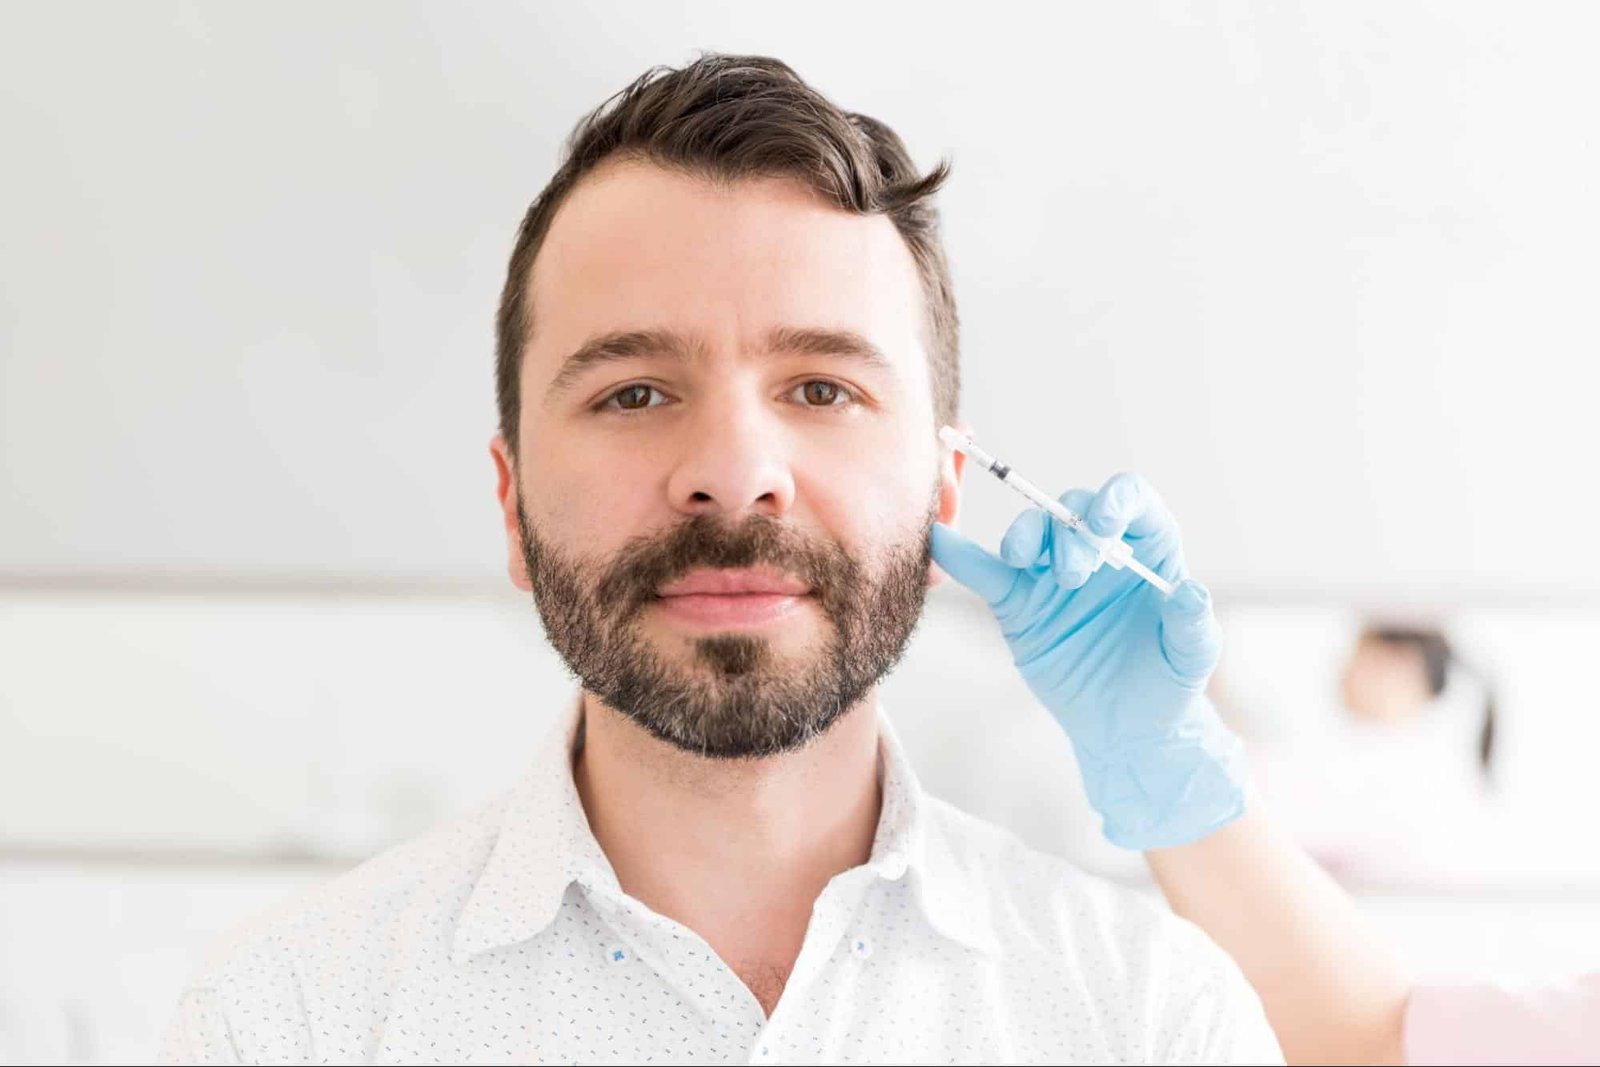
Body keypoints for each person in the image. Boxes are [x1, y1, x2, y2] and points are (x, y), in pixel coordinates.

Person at [159, 54, 1281, 1064]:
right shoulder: (285, 1024)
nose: (734, 476)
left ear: (945, 493)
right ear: (512, 503)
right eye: (635, 393)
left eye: (822, 389)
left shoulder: (1152, 1018)